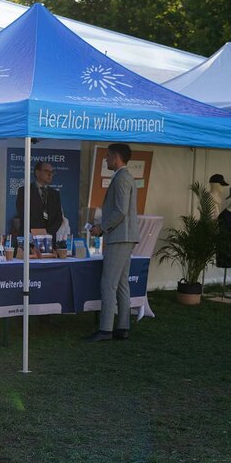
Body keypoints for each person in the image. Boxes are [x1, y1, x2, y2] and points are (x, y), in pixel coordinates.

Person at [85, 143, 139, 342]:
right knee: (122, 284)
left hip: (119, 237)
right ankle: (122, 327)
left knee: (109, 284)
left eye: (108, 156)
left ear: (116, 157)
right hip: (125, 236)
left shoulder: (122, 178)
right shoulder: (125, 177)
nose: (106, 159)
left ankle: (106, 329)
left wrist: (102, 227)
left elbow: (120, 211)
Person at [16, 161, 63, 243]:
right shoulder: (24, 191)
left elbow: (58, 218)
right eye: (46, 171)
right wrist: (39, 234)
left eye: (52, 172)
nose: (50, 175)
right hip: (30, 240)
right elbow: (23, 214)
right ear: (37, 173)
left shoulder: (55, 194)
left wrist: (47, 234)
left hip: (49, 240)